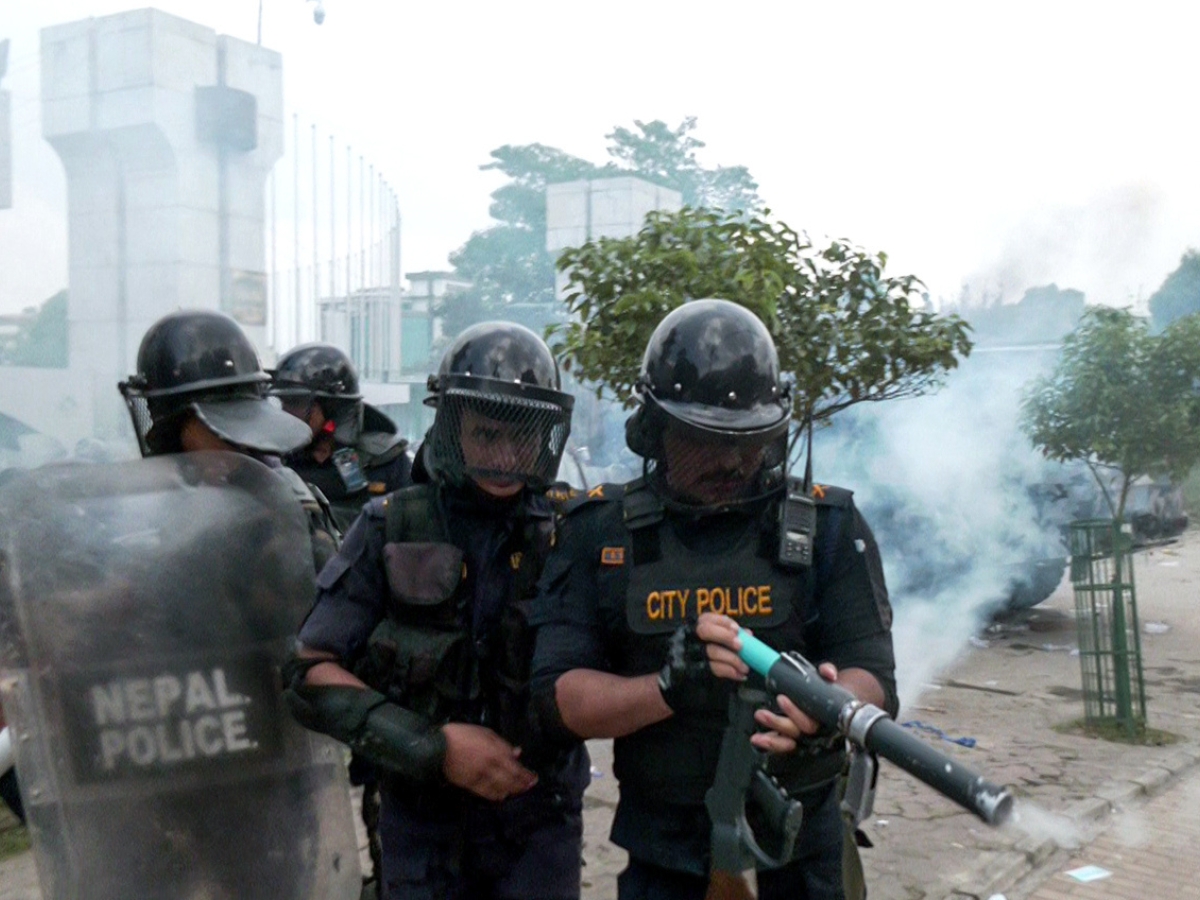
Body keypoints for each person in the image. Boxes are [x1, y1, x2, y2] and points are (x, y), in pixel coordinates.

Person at [529, 299, 898, 900]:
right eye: (704, 440)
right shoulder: (602, 532)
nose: (731, 460)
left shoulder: (828, 526)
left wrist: (824, 707)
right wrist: (667, 690)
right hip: (665, 858)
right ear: (656, 428)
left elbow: (875, 676)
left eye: (748, 440)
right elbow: (558, 700)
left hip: (799, 851)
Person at [283, 321, 589, 900]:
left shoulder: (573, 534)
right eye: (486, 433)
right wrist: (434, 747)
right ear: (451, 424)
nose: (505, 455)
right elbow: (308, 673)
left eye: (522, 436)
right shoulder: (391, 524)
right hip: (422, 824)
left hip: (539, 826)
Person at [119, 308, 340, 570]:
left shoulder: (284, 504)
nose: (233, 449)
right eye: (221, 430)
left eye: (228, 429)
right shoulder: (158, 496)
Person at [271, 342, 413, 532]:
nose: (286, 412)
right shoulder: (277, 460)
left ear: (331, 406)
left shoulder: (386, 462)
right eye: (284, 403)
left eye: (296, 402)